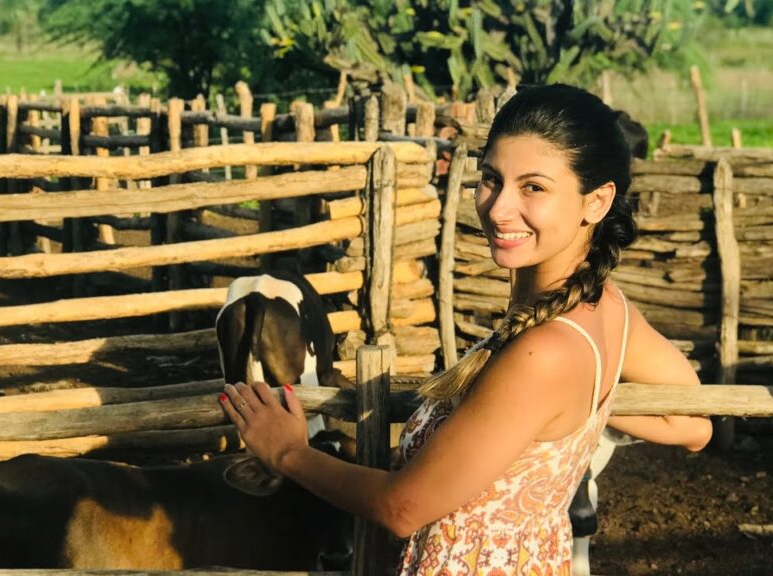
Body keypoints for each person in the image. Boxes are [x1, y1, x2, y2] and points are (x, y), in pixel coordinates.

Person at [219, 84, 713, 574]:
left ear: (597, 201)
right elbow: (692, 425)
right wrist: (555, 413)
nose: (498, 209)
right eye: (492, 179)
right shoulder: (608, 308)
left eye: (534, 187)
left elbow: (403, 508)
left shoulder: (546, 354)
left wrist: (287, 452)